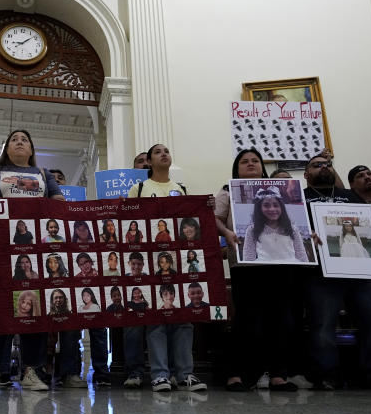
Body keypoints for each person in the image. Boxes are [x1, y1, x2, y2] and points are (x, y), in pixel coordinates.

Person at [0, 129, 64, 391]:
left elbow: (59, 202)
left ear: (31, 150)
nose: (20, 142)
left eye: (25, 140)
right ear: (6, 149)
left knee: (35, 301)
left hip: (36, 246)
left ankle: (31, 369)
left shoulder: (43, 175)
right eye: (14, 140)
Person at [302, 153, 371, 389]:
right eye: (316, 165)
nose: (324, 167)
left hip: (361, 270)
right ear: (306, 175)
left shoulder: (349, 195)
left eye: (327, 164)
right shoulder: (300, 198)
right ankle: (326, 375)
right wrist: (306, 237)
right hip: (320, 272)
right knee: (323, 325)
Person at [216, 148, 301, 392]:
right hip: (246, 263)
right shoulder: (227, 190)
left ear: (262, 166)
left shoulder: (279, 191)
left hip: (281, 262)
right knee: (246, 318)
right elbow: (215, 218)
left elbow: (294, 218)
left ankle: (278, 374)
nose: (250, 164)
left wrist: (306, 236)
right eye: (244, 161)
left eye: (255, 160)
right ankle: (237, 374)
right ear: (237, 168)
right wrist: (227, 233)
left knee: (281, 318)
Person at [126, 144, 206, 392]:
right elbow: (130, 223)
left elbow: (190, 223)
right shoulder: (138, 189)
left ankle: (185, 374)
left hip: (179, 261)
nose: (164, 154)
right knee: (156, 319)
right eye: (158, 152)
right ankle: (159, 374)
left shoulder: (180, 189)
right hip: (150, 262)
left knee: (183, 318)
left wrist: (207, 206)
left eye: (167, 151)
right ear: (149, 161)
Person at [241, 186, 309, 263]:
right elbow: (248, 257)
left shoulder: (292, 228)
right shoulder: (252, 229)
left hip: (290, 268)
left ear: (281, 208)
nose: (272, 209)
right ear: (259, 208)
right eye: (266, 205)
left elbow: (301, 254)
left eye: (276, 205)